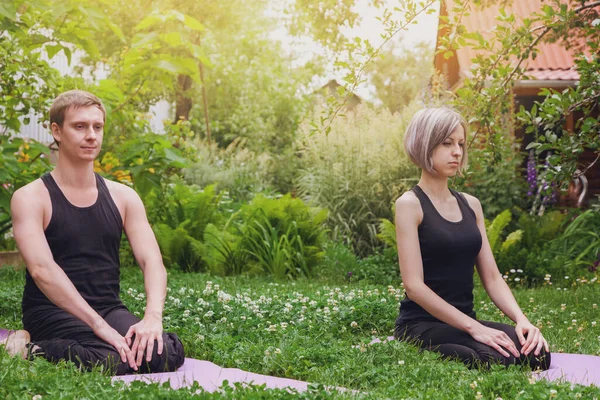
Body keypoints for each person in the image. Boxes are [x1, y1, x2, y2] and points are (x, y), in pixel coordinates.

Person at [1, 90, 185, 375]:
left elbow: (152, 262)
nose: (91, 135)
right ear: (57, 131)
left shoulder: (124, 197)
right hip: (51, 311)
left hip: (108, 307)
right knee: (115, 357)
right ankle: (29, 345)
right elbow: (41, 269)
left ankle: (101, 343)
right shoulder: (30, 198)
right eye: (80, 126)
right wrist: (100, 327)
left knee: (163, 350)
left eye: (97, 127)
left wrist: (152, 318)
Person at [393, 107, 551, 370]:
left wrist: (521, 319)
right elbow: (414, 287)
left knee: (537, 354)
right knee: (495, 359)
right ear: (424, 144)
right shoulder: (410, 204)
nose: (457, 151)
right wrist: (475, 328)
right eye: (447, 143)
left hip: (465, 322)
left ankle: (480, 339)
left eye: (461, 144)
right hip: (421, 324)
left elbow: (491, 277)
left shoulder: (471, 205)